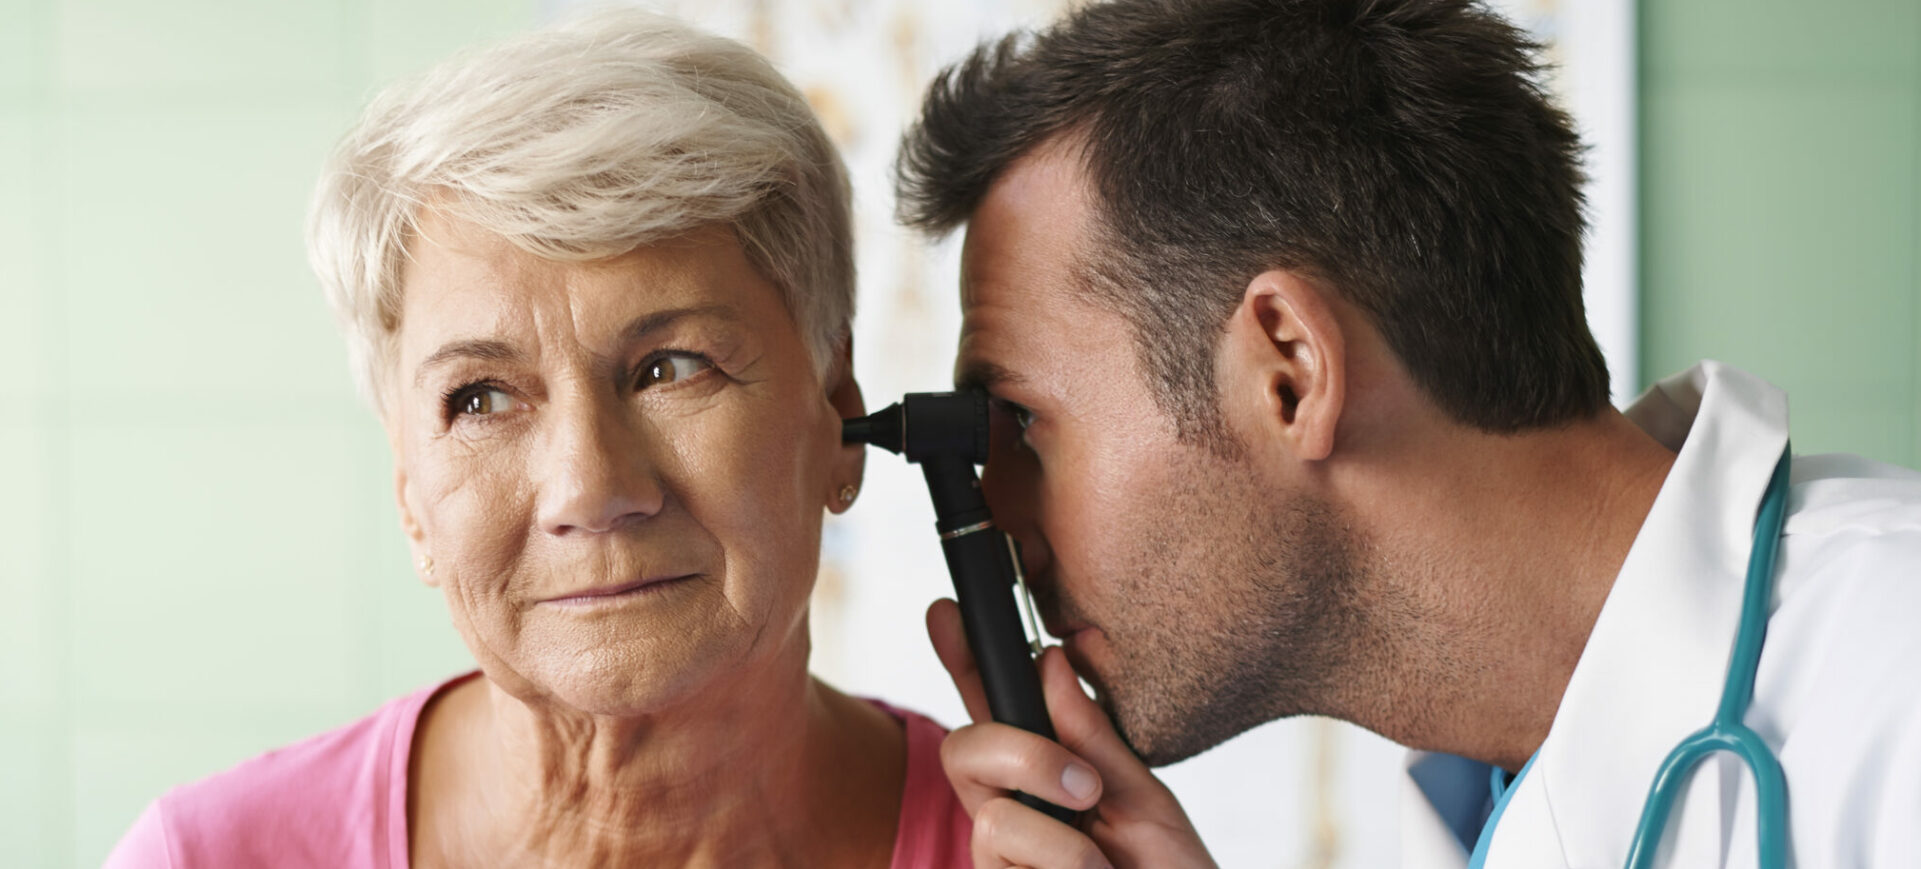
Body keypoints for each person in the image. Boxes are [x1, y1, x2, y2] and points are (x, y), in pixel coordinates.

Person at [892, 0, 1921, 866]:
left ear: (1289, 371)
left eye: (1020, 423)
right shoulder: (1477, 796)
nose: (999, 514)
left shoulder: (1892, 671)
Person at [103, 8, 972, 868]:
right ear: (409, 488)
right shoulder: (201, 855)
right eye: (479, 398)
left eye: (671, 367)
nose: (588, 489)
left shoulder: (1036, 848)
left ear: (837, 412)